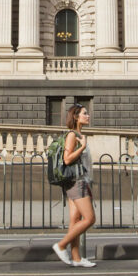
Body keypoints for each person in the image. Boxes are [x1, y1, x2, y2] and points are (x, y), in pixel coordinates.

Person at [52, 104, 97, 267]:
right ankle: (61, 245)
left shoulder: (78, 134)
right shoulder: (72, 135)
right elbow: (67, 159)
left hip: (77, 181)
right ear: (76, 117)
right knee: (90, 218)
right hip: (77, 182)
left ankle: (77, 258)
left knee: (75, 219)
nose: (88, 116)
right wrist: (83, 147)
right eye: (85, 113)